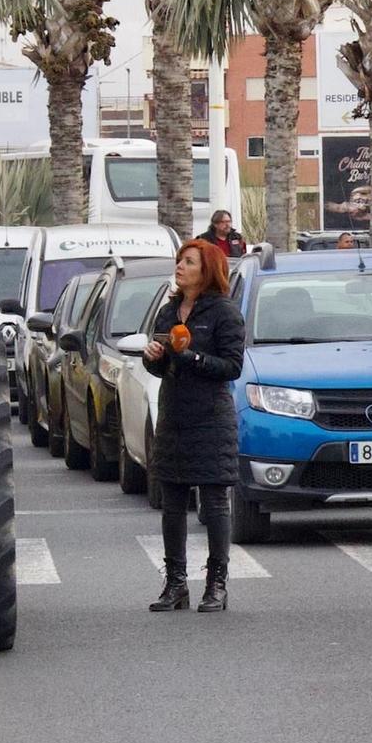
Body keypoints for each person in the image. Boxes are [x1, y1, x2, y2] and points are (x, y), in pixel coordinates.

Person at [142, 238, 247, 613]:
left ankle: (216, 584)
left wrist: (192, 356)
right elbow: (160, 366)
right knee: (172, 500)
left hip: (211, 417)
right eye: (179, 261)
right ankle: (175, 584)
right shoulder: (169, 312)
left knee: (215, 500)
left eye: (188, 261)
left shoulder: (223, 312)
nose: (180, 267)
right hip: (174, 415)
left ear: (207, 270)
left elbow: (231, 367)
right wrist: (153, 357)